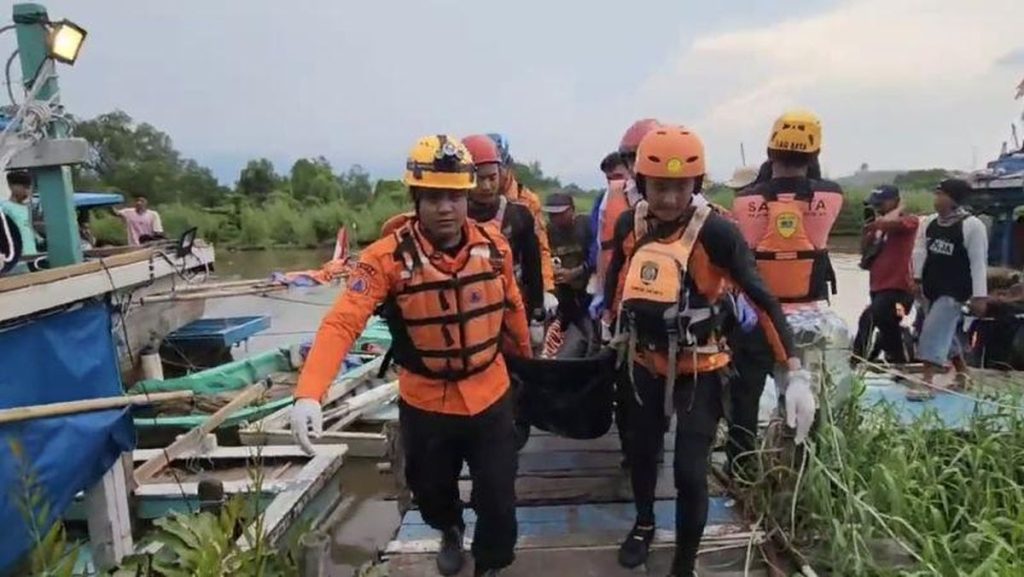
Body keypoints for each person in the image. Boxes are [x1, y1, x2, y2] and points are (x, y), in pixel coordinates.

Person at [290, 135, 532, 577]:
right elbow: (344, 322)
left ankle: (491, 564)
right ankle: (451, 528)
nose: (446, 208)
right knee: (430, 489)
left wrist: (529, 373)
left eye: (454, 196)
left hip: (491, 392)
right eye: (434, 197)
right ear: (415, 198)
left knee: (499, 496)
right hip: (426, 400)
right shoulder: (385, 259)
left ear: (467, 195)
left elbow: (513, 312)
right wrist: (309, 392)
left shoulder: (495, 248)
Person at [604, 125, 808, 576]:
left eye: (680, 188)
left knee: (690, 473)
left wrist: (793, 371)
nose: (670, 199)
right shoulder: (629, 225)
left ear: (695, 185)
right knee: (641, 454)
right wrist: (608, 329)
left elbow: (761, 297)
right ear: (641, 184)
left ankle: (683, 563)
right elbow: (617, 282)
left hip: (702, 366)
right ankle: (643, 522)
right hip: (642, 361)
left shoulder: (717, 232)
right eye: (659, 187)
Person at [726, 109, 844, 477]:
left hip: (755, 316)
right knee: (806, 400)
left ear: (770, 151)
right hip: (809, 318)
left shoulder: (744, 201)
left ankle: (742, 469)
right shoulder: (832, 196)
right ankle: (803, 470)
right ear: (814, 155)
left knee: (744, 400)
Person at [463, 134, 547, 348]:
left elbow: (532, 267)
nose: (487, 186)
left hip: (510, 307)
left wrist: (537, 311)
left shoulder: (519, 215)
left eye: (492, 177)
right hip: (468, 310)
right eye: (479, 179)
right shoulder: (452, 218)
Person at [909, 178, 988, 399]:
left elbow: (978, 262)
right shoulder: (930, 222)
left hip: (955, 289)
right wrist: (916, 279)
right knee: (947, 331)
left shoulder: (972, 226)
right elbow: (920, 251)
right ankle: (963, 374)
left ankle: (927, 383)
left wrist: (980, 296)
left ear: (954, 199)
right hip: (931, 286)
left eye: (941, 194)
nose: (937, 199)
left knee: (933, 331)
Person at [487, 133, 558, 317]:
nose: (487, 184)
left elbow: (540, 248)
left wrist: (547, 289)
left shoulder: (527, 201)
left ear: (507, 166)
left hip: (518, 285)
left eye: (495, 172)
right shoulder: (471, 200)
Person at [852, 185, 918, 365]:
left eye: (881, 203)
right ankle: (879, 358)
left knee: (872, 318)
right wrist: (868, 231)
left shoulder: (909, 221)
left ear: (896, 202)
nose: (877, 207)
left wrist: (899, 210)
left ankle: (859, 360)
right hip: (878, 287)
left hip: (900, 288)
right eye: (875, 204)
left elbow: (888, 224)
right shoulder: (876, 228)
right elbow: (865, 253)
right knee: (881, 322)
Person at [543, 191, 594, 326]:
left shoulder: (586, 225)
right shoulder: (547, 231)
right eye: (552, 214)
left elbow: (597, 258)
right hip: (562, 291)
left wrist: (575, 272)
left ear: (572, 210)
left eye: (561, 213)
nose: (555, 218)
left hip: (586, 287)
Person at [1, 171, 39, 257]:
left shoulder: (31, 208)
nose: (27, 190)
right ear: (11, 186)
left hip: (32, 254)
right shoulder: (4, 206)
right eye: (25, 187)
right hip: (14, 255)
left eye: (29, 187)